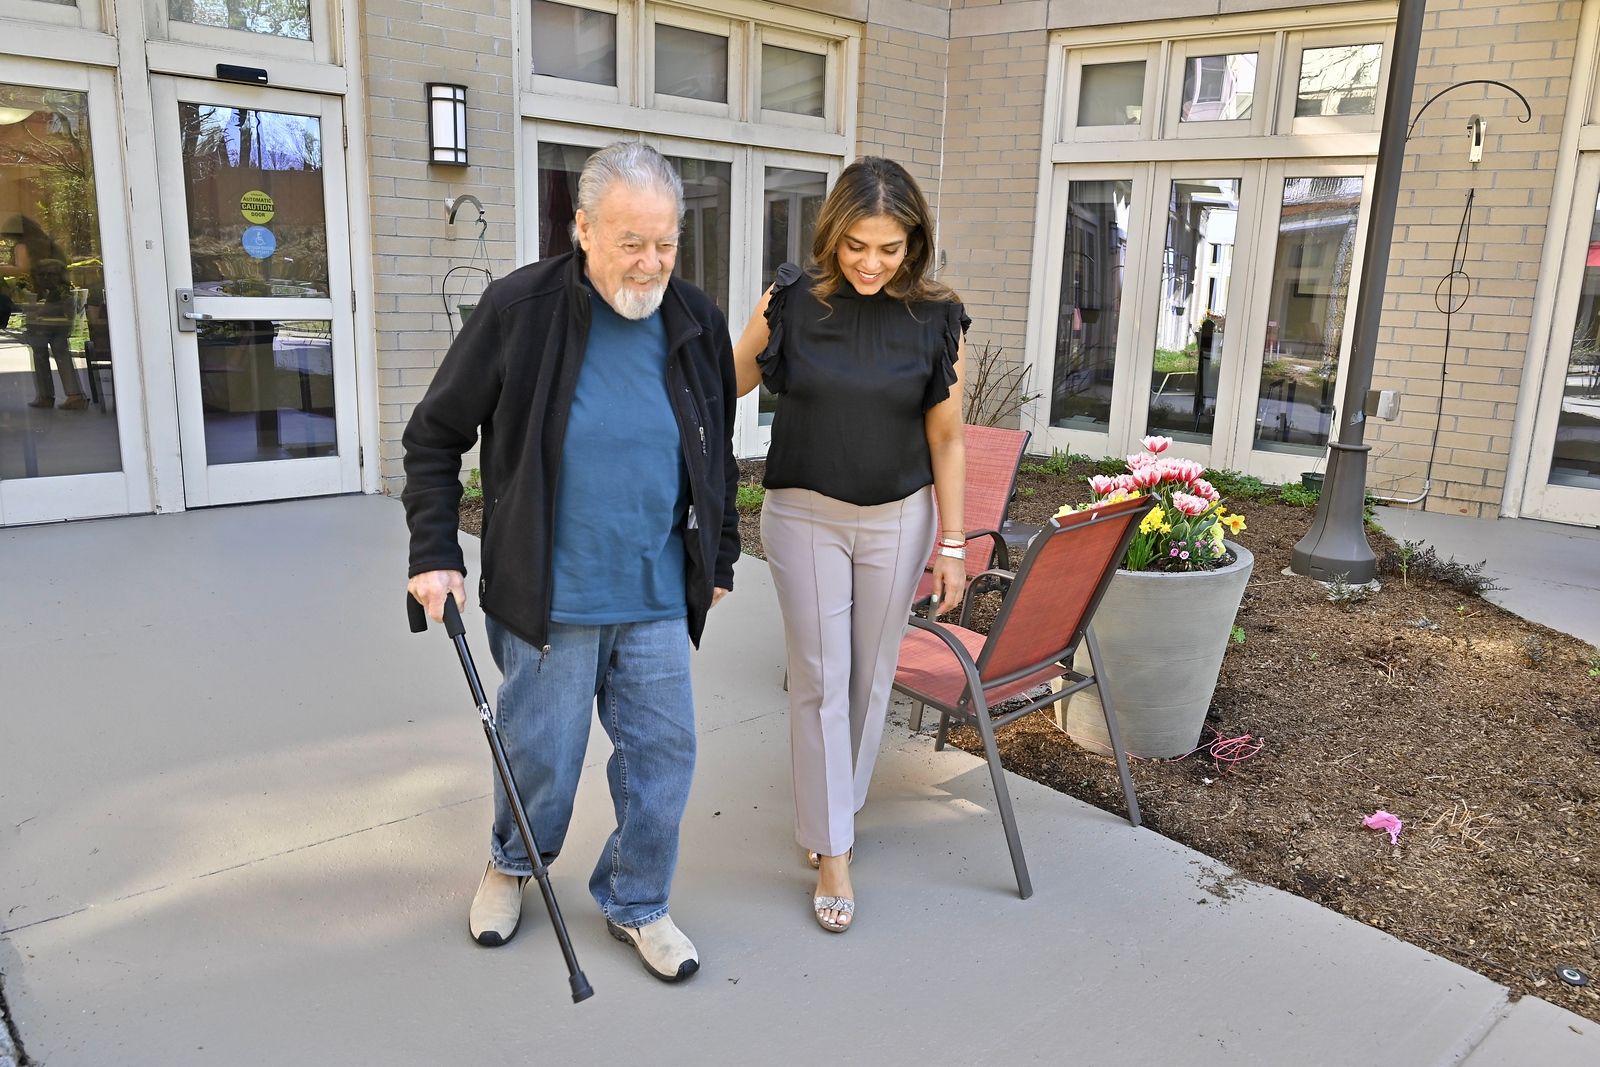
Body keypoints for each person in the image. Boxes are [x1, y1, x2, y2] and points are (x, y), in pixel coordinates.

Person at [402, 141, 739, 982]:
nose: (652, 262)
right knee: (541, 757)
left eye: (666, 242)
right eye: (632, 242)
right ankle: (512, 864)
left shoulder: (693, 317)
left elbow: (718, 451)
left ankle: (638, 899)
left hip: (657, 588)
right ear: (582, 227)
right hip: (550, 591)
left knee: (663, 756)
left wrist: (719, 552)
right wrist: (435, 550)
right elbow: (434, 436)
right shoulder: (519, 309)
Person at [731, 157, 968, 933]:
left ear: (914, 244)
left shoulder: (936, 319)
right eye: (857, 245)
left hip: (899, 518)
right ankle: (832, 845)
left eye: (889, 249)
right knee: (820, 675)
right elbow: (720, 378)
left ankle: (837, 800)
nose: (871, 263)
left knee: (870, 675)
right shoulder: (791, 301)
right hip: (803, 513)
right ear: (833, 234)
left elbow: (948, 437)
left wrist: (956, 544)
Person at [4, 215, 86, 411]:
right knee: (61, 348)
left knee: (40, 351)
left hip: (40, 304)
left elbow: (22, 269)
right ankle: (75, 395)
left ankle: (45, 395)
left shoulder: (23, 247)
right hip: (62, 301)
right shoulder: (51, 245)